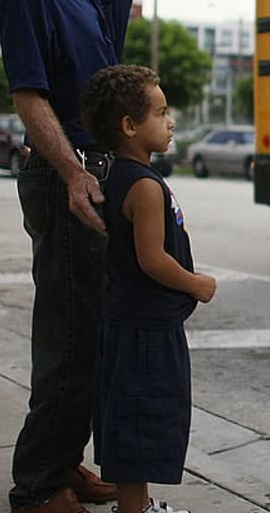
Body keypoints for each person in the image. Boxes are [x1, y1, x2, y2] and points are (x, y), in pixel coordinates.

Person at [0, 0, 234, 513]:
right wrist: (72, 173)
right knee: (71, 338)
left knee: (103, 332)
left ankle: (65, 461)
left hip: (108, 175)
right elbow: (29, 96)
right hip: (66, 178)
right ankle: (38, 485)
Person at [79, 64, 217, 513]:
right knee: (141, 425)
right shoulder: (143, 187)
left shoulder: (119, 175)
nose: (171, 121)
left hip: (128, 322)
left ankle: (131, 506)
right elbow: (152, 259)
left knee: (129, 424)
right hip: (146, 332)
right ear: (130, 125)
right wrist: (196, 284)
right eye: (160, 113)